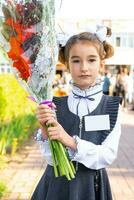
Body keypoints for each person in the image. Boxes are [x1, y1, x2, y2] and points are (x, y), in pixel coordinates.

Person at [31, 25, 121, 200]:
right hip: (56, 187)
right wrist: (44, 130)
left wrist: (69, 141)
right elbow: (51, 159)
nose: (84, 67)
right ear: (66, 65)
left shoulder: (111, 107)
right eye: (76, 60)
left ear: (101, 64)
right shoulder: (55, 105)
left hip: (91, 187)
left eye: (91, 60)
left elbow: (107, 155)